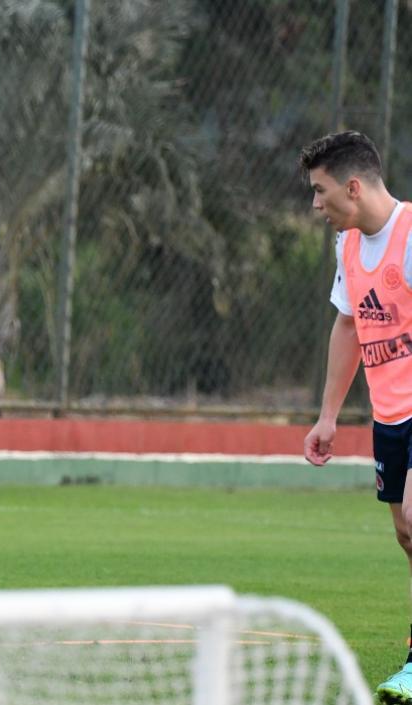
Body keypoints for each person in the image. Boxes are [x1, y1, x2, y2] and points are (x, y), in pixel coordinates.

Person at [302, 130, 412, 703]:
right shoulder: (348, 247)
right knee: (406, 533)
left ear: (352, 186)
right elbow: (347, 326)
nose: (315, 205)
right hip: (390, 416)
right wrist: (328, 417)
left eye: (320, 192)